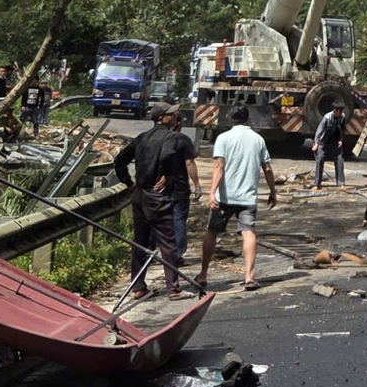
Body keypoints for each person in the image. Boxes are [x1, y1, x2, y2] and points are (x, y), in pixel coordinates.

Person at [113, 106, 189, 299]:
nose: (176, 116)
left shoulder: (142, 137)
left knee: (140, 242)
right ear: (162, 118)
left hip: (139, 195)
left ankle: (138, 287)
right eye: (172, 114)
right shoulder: (171, 137)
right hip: (157, 196)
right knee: (168, 243)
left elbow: (119, 160)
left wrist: (128, 182)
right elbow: (167, 156)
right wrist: (167, 175)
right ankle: (174, 289)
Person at [199, 107, 275, 292]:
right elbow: (267, 168)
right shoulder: (258, 139)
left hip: (224, 197)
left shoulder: (223, 138)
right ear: (247, 118)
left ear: (230, 118)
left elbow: (219, 167)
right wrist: (273, 191)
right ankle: (249, 277)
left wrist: (211, 193)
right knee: (248, 232)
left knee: (212, 232)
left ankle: (203, 275)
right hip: (247, 198)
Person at [155, 106, 201, 297]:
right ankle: (177, 255)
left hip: (158, 188)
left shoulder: (155, 139)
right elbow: (189, 163)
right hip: (179, 187)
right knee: (179, 219)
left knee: (162, 222)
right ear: (179, 125)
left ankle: (161, 253)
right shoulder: (182, 140)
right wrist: (197, 185)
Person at [311, 103, 348, 187]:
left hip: (334, 142)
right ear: (334, 111)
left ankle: (340, 183)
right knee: (320, 159)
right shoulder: (327, 118)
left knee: (339, 159)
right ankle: (317, 183)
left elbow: (343, 129)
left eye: (342, 110)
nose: (341, 112)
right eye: (340, 111)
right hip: (323, 142)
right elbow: (319, 132)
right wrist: (316, 144)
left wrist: (340, 139)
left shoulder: (342, 117)